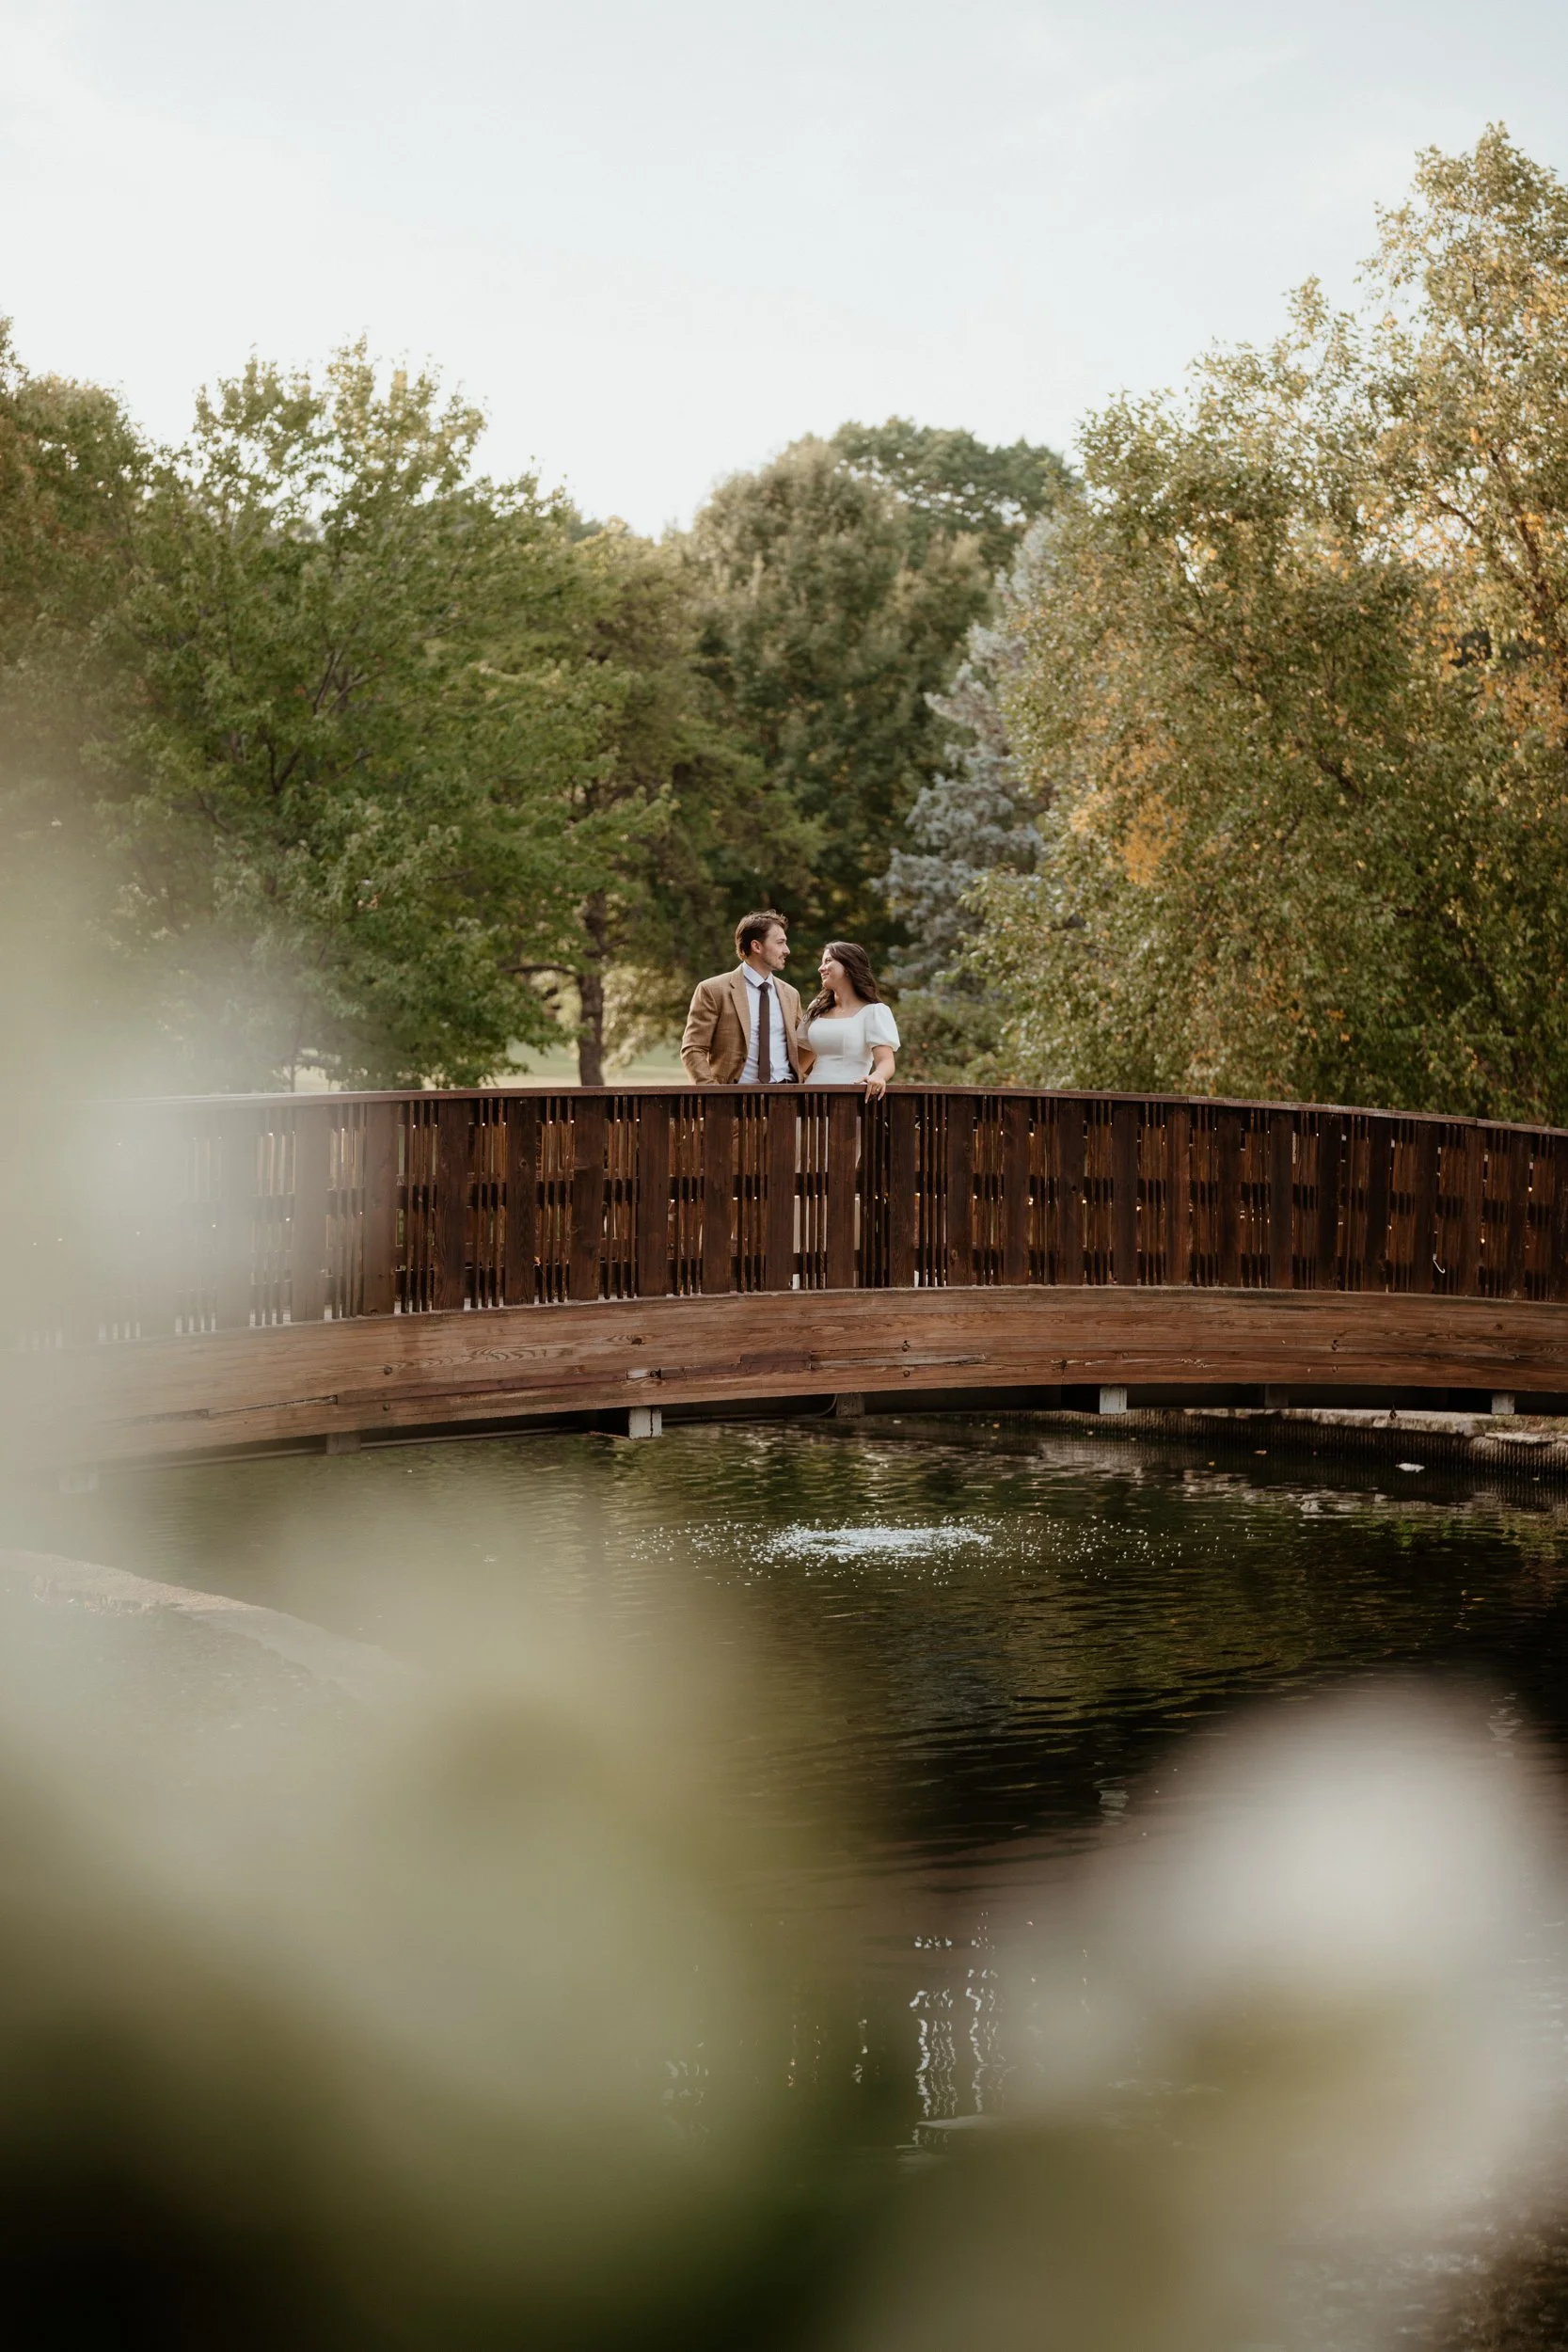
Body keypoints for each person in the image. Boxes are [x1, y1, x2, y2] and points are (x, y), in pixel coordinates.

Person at [681, 910, 816, 1085]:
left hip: (785, 1098)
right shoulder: (713, 990)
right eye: (780, 943)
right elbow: (693, 1049)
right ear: (756, 946)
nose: (787, 950)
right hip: (734, 1099)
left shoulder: (791, 994)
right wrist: (713, 1093)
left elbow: (803, 1048)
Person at [800, 942, 899, 1098]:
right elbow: (800, 1065)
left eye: (828, 961)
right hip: (809, 1098)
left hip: (849, 1098)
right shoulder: (816, 1008)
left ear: (848, 967)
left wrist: (878, 1076)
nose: (820, 968)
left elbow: (886, 1061)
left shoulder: (874, 1012)